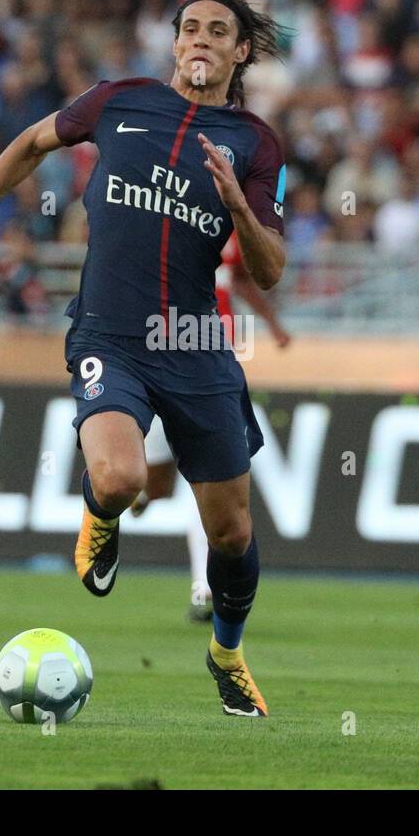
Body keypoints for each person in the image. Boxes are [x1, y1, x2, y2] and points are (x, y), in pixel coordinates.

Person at [0, 0, 287, 717]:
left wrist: (236, 205)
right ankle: (100, 520)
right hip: (109, 331)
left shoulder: (257, 144)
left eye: (217, 31)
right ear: (175, 44)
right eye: (189, 28)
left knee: (231, 529)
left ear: (240, 52)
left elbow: (269, 267)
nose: (200, 39)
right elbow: (34, 141)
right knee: (120, 473)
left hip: (196, 345)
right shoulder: (120, 100)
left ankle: (227, 653)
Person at [130, 231, 291, 623]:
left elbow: (238, 279)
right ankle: (137, 494)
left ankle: (205, 589)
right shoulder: (164, 219)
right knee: (157, 485)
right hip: (163, 360)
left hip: (213, 370)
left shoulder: (231, 225)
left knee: (204, 481)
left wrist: (270, 322)